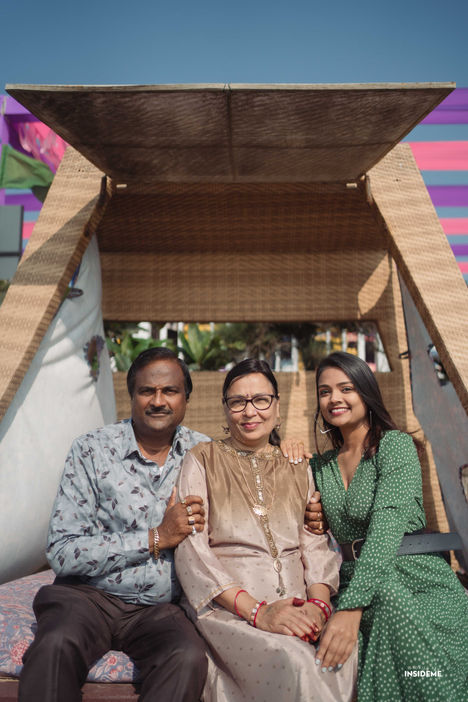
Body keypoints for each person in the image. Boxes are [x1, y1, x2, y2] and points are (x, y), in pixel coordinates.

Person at [19, 347, 210, 702]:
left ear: (186, 397)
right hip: (88, 597)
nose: (158, 401)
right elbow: (62, 552)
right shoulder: (91, 450)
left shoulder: (205, 454)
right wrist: (157, 537)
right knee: (55, 646)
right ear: (132, 396)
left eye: (170, 391)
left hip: (162, 608)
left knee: (187, 657)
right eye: (147, 391)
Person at [174, 358, 357, 702]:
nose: (250, 411)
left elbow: (314, 544)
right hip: (232, 613)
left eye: (261, 400)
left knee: (345, 651)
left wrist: (319, 606)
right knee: (295, 661)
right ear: (225, 409)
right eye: (237, 402)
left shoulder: (297, 465)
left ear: (277, 407)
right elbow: (191, 549)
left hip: (301, 609)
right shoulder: (201, 459)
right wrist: (258, 612)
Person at [307, 351, 468, 702]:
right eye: (324, 392)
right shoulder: (320, 466)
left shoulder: (395, 446)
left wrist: (352, 607)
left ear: (366, 392)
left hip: (414, 578)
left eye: (346, 388)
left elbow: (386, 526)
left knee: (412, 650)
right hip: (353, 578)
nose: (334, 398)